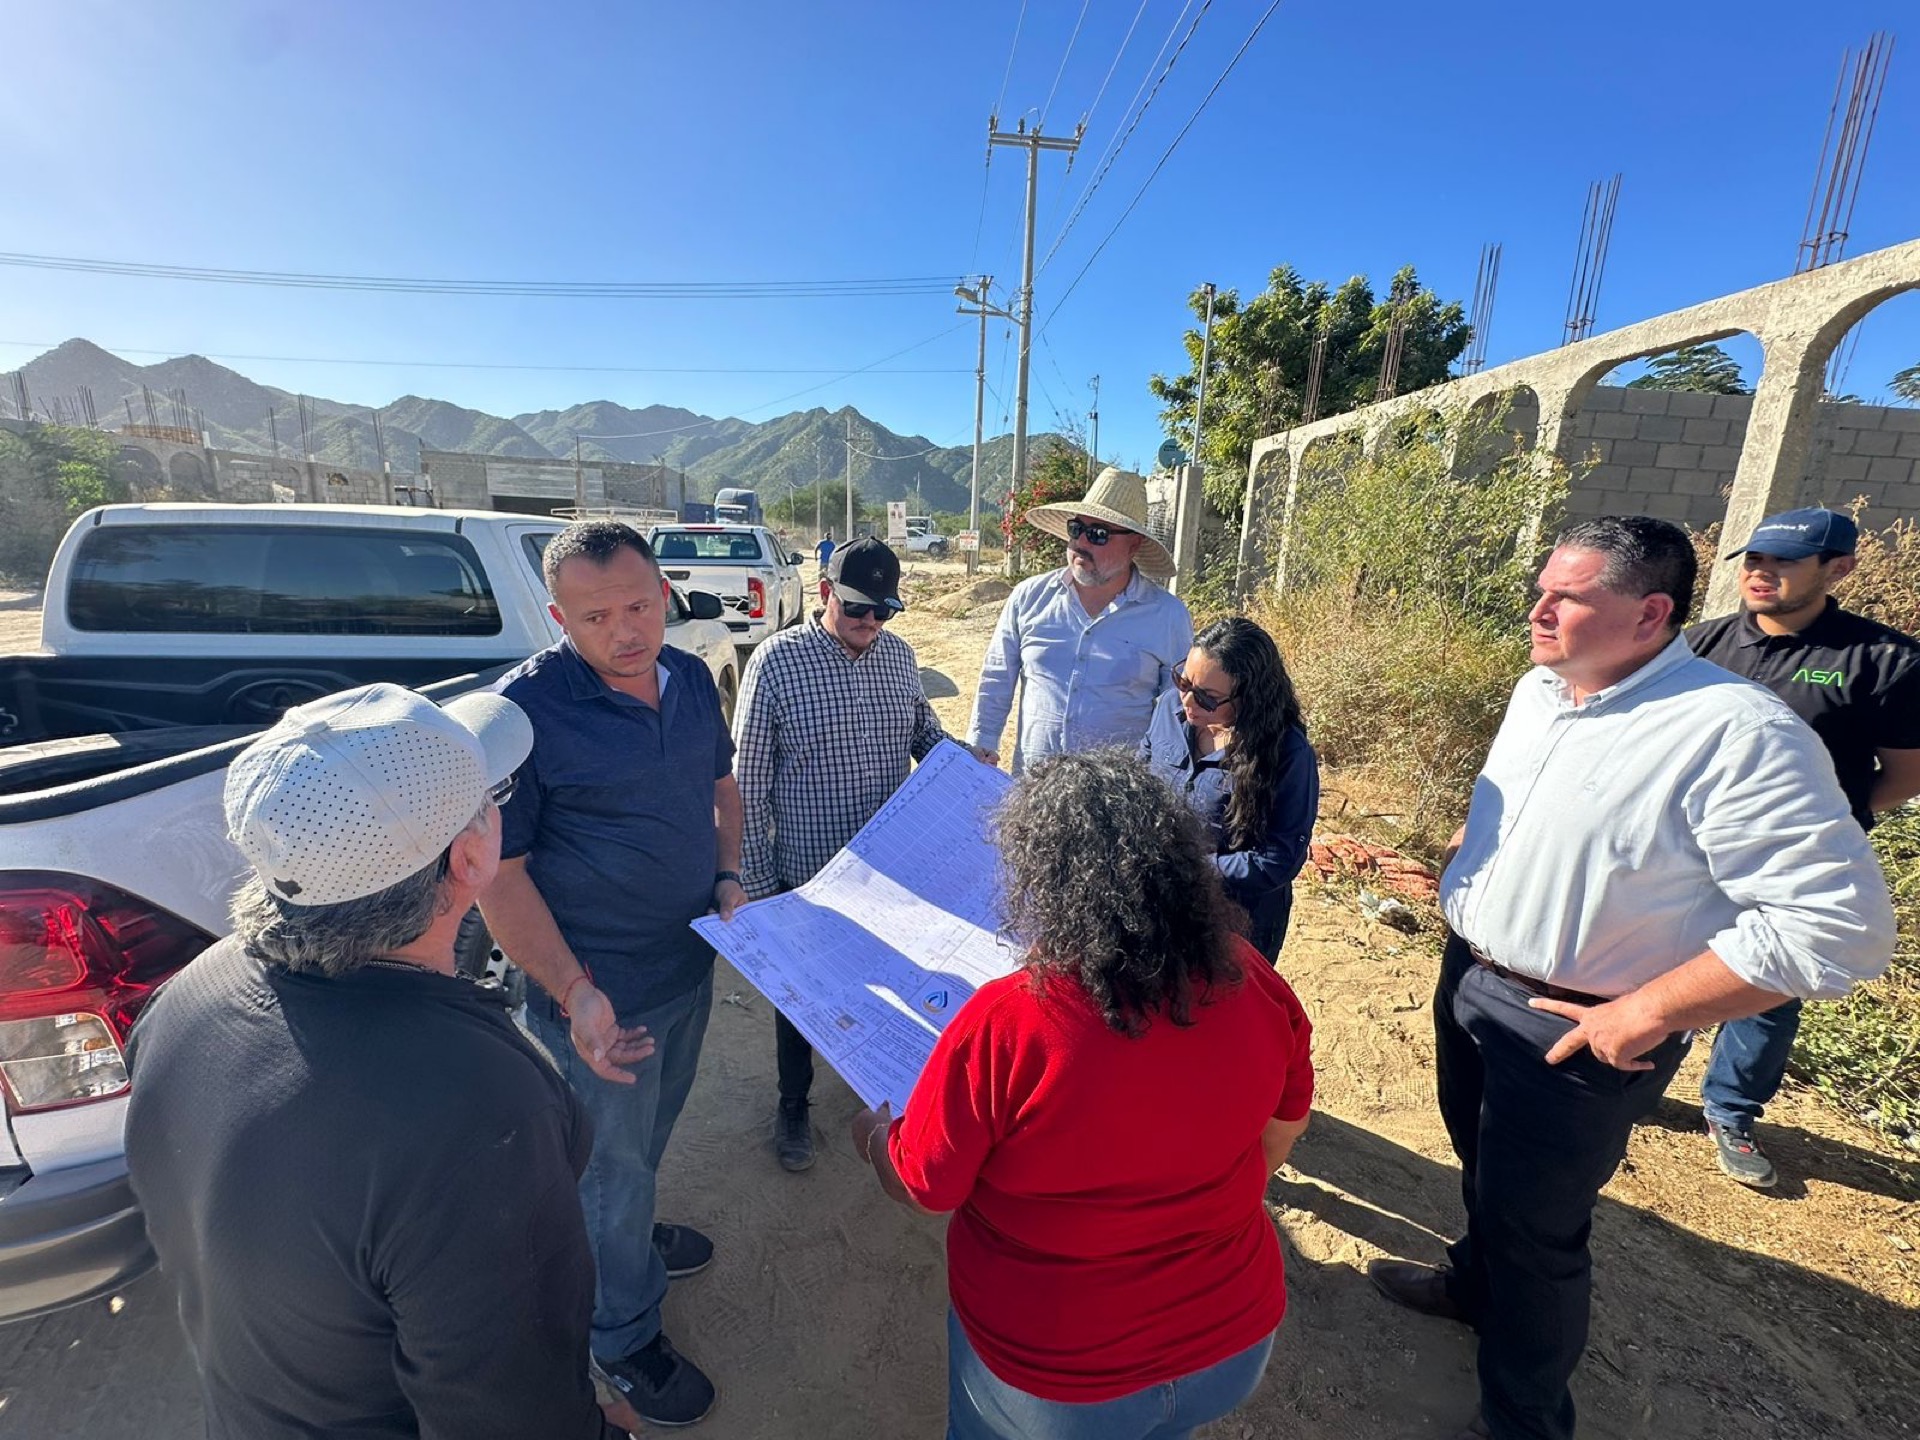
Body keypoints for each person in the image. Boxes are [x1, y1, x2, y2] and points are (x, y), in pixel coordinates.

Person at [1366, 516, 1895, 1440]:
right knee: (1482, 1170)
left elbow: (1838, 930)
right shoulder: (1544, 689)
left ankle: (1522, 1419)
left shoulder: (1734, 732)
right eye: (1544, 587)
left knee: (1539, 1233)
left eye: (1566, 598)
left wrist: (1649, 1010)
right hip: (1472, 978)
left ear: (1651, 614)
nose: (1536, 610)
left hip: (1577, 1028)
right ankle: (1474, 1288)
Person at [125, 683, 637, 1440]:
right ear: (470, 857)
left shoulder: (186, 998)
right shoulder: (481, 1113)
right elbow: (514, 1414)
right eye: (488, 798)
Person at [851, 750, 1315, 1440]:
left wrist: (873, 1139)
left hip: (1054, 1376)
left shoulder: (1008, 1020)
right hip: (1229, 1346)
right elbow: (1279, 1139)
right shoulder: (1251, 979)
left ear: (1046, 883)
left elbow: (926, 1185)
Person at [481, 520, 743, 1428]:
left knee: (647, 1139)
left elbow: (722, 788)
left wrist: (729, 877)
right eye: (597, 618)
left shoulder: (691, 681)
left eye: (640, 605)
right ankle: (621, 1334)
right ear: (559, 616)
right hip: (594, 994)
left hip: (687, 961)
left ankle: (630, 1245)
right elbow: (500, 879)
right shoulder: (522, 716)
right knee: (604, 1172)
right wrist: (572, 991)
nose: (626, 632)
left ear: (665, 594)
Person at [1686, 506, 1920, 1187]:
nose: (1763, 574)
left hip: (1795, 862)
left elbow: (1905, 773)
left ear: (1837, 568)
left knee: (1765, 986)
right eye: (1755, 560)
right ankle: (1637, 1086)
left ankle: (1730, 1110)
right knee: (1664, 966)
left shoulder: (1883, 662)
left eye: (1784, 562)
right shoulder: (1702, 645)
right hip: (1694, 848)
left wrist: (1837, 819)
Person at [732, 535, 983, 1170]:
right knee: (803, 999)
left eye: (884, 612)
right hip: (807, 876)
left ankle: (883, 1095)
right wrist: (763, 886)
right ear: (824, 594)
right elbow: (747, 782)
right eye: (856, 610)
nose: (870, 624)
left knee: (890, 987)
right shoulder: (775, 664)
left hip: (890, 873)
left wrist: (966, 765)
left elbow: (924, 733)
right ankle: (794, 1103)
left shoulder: (899, 659)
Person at [966, 466, 1193, 773]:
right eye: (1076, 529)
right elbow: (996, 678)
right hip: (1033, 791)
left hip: (1118, 798)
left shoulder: (1167, 616)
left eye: (1099, 534)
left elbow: (1177, 713)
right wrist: (981, 745)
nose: (1082, 543)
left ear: (1134, 545)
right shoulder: (1029, 597)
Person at [1140, 616, 1320, 958]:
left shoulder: (1288, 754)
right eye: (1183, 681)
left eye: (1208, 698)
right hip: (1161, 907)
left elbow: (1278, 861)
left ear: (1250, 696)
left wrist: (1192, 866)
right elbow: (1139, 787)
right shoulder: (1168, 709)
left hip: (1236, 925)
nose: (1188, 703)